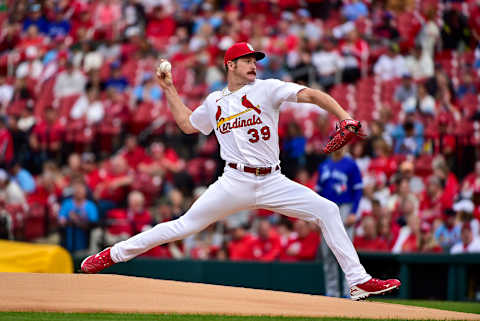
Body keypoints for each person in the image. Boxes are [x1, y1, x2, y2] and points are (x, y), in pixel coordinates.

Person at [81, 42, 400, 300]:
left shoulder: (267, 88)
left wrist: (344, 116)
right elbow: (187, 125)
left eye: (255, 60)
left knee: (328, 210)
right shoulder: (215, 101)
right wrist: (169, 89)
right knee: (184, 226)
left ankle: (359, 281)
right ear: (229, 65)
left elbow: (311, 94)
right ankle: (113, 254)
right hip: (234, 180)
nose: (253, 65)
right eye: (246, 60)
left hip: (273, 179)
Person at [316, 147, 363, 297]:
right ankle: (332, 293)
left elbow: (358, 190)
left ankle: (348, 292)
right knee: (328, 252)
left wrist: (354, 212)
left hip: (345, 208)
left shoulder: (350, 164)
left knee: (346, 252)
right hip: (326, 209)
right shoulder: (324, 166)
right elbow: (317, 192)